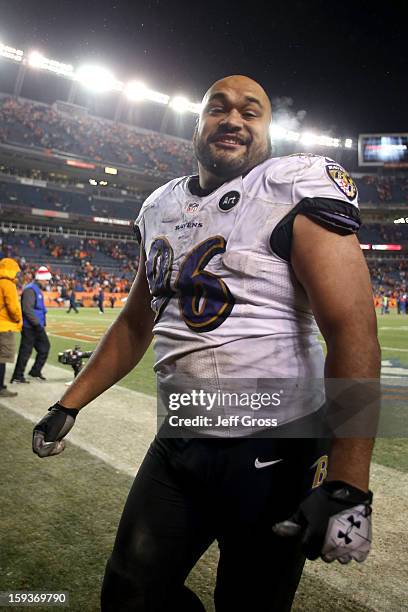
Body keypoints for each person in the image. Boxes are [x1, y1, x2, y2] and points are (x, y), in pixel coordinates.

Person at [32, 76, 380, 611]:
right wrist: (68, 403)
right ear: (198, 125)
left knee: (249, 603)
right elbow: (133, 325)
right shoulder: (160, 206)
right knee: (129, 596)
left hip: (274, 448)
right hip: (179, 441)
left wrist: (349, 480)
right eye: (218, 108)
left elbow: (352, 330)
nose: (233, 119)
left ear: (268, 130)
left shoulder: (293, 185)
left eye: (250, 111)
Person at [11, 265, 51, 383]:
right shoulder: (30, 290)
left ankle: (35, 371)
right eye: (46, 280)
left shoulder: (36, 290)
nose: (47, 282)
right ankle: (18, 376)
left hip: (36, 326)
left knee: (44, 348)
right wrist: (37, 325)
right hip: (31, 327)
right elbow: (27, 309)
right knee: (25, 351)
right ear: (40, 279)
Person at [0, 257, 22, 397]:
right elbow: (13, 307)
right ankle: (0, 387)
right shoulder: (7, 284)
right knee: (2, 358)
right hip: (4, 326)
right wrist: (18, 319)